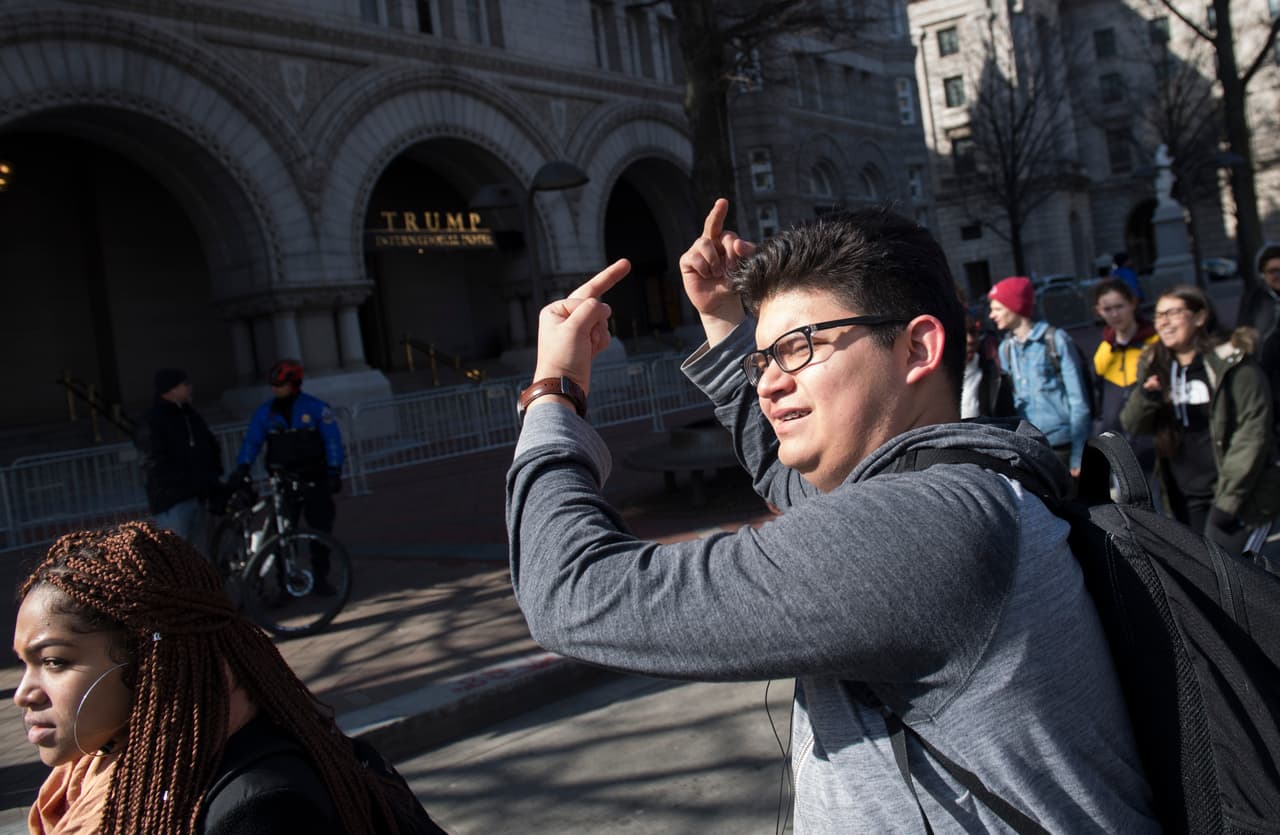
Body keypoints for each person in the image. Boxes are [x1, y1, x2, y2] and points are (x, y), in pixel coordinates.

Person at [507, 199, 1156, 831]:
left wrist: (553, 390)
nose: (766, 381)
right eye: (763, 360)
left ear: (918, 348)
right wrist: (726, 322)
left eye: (797, 346)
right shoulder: (977, 479)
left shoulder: (925, 526)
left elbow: (572, 591)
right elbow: (788, 479)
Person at [13, 521, 446, 834]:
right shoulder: (91, 771)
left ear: (148, 660)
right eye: (23, 663)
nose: (23, 694)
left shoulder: (256, 809)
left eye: (53, 662)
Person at [1121, 285, 1280, 556]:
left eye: (1173, 313)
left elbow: (1253, 432)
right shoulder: (1154, 364)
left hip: (1236, 497)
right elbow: (1133, 425)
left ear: (1200, 317)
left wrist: (1228, 503)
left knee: (1244, 582)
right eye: (1159, 315)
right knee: (1210, 584)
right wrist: (1147, 396)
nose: (1164, 322)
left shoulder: (1234, 361)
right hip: (1183, 498)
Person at [232, 359, 343, 595]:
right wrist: (243, 467)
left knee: (321, 530)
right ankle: (285, 584)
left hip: (314, 478)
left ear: (294, 384)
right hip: (282, 482)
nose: (275, 389)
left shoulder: (315, 408)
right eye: (273, 385)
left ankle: (321, 579)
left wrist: (334, 471)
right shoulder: (266, 413)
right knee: (281, 535)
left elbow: (332, 440)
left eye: (280, 384)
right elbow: (252, 442)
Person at [986, 276, 1092, 476]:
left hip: (1061, 445)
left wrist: (1078, 454)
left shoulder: (1055, 340)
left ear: (1015, 306)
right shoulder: (1005, 349)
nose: (992, 315)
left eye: (998, 309)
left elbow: (1079, 400)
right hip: (1029, 447)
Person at [136, 368, 222, 546]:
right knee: (176, 553)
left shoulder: (190, 415)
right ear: (171, 389)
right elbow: (153, 460)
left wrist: (211, 479)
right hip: (173, 501)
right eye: (185, 384)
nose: (190, 388)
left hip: (198, 496)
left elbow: (209, 447)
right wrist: (176, 485)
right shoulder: (153, 420)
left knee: (200, 556)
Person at [1091, 278, 1158, 441]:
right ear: (1098, 311)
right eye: (1107, 309)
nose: (1115, 314)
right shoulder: (1103, 351)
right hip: (1118, 444)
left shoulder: (1156, 343)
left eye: (1119, 306)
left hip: (1152, 439)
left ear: (1133, 303)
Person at [1236, 243, 1280, 440]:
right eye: (1272, 271)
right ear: (1263, 273)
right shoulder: (1255, 298)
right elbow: (1242, 331)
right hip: (1267, 375)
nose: (1278, 275)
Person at [961, 314, 1014, 419]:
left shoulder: (995, 377)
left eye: (973, 331)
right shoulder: (932, 381)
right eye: (961, 333)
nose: (970, 340)